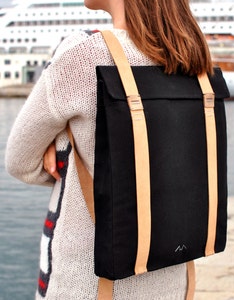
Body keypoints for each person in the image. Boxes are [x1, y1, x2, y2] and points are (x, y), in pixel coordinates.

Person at [5, 0, 213, 299]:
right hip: (173, 277)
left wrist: (62, 146)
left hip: (88, 283)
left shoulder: (84, 51)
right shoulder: (193, 57)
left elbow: (20, 162)